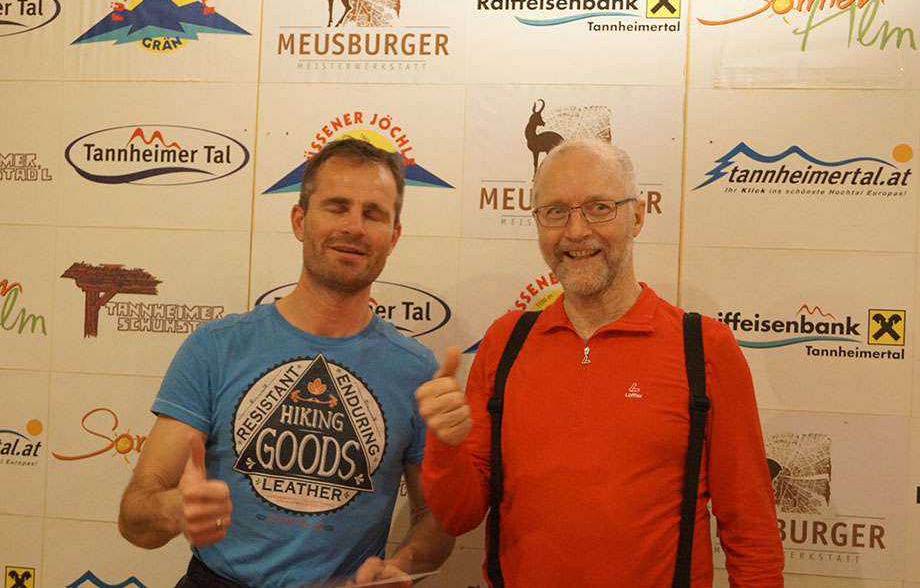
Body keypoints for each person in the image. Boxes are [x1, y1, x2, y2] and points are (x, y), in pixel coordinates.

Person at [416, 137, 785, 586]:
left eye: (599, 208)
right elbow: (459, 516)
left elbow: (752, 535)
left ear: (638, 216)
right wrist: (446, 445)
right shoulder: (505, 342)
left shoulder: (705, 348)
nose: (576, 231)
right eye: (556, 212)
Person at [118, 138, 454, 588]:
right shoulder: (216, 347)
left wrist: (404, 564)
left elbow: (436, 518)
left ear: (392, 237)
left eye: (373, 213)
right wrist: (173, 509)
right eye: (337, 207)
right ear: (300, 221)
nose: (354, 227)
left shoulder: (416, 370)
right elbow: (134, 515)